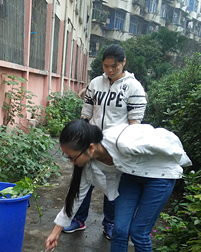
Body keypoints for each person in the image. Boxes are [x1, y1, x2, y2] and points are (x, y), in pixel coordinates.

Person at [45, 119, 191, 252]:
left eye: (72, 157)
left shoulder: (125, 140)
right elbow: (75, 196)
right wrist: (56, 231)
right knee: (120, 229)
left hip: (159, 176)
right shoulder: (89, 164)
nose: (71, 162)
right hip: (130, 177)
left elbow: (164, 140)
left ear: (90, 147)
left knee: (138, 231)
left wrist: (180, 161)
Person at [63, 45, 147, 241]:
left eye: (114, 66)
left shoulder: (134, 88)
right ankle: (79, 219)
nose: (109, 70)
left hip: (115, 148)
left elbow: (135, 124)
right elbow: (86, 114)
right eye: (106, 66)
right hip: (91, 142)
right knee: (84, 181)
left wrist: (128, 148)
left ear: (124, 62)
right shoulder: (95, 83)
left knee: (113, 185)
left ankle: (110, 222)